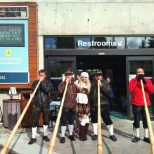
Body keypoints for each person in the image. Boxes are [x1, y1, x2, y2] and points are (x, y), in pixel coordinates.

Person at [89, 69, 117, 141]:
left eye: (100, 75)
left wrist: (101, 86)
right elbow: (89, 93)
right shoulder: (92, 83)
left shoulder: (105, 83)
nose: (98, 77)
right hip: (94, 104)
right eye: (97, 75)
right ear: (95, 76)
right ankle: (95, 134)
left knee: (107, 119)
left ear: (102, 76)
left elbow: (109, 92)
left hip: (104, 104)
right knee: (94, 119)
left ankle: (112, 134)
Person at [129, 68, 154, 143]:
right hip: (136, 103)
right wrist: (137, 81)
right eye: (138, 72)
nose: (140, 73)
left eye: (141, 72)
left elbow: (152, 90)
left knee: (145, 120)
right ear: (136, 74)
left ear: (144, 73)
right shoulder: (133, 80)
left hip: (145, 104)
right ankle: (137, 136)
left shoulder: (148, 80)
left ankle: (146, 136)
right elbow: (131, 89)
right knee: (136, 120)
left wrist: (144, 82)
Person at [28, 69, 54, 144]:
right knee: (34, 121)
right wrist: (38, 84)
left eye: (42, 75)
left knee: (46, 120)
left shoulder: (48, 83)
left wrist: (41, 83)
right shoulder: (35, 82)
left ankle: (45, 135)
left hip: (46, 104)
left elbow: (47, 90)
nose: (41, 76)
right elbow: (33, 90)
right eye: (40, 75)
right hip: (37, 104)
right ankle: (33, 137)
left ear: (45, 75)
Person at [58, 69, 77, 144]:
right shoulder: (61, 84)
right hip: (65, 106)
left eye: (70, 75)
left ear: (72, 76)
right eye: (67, 75)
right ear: (65, 76)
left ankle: (71, 135)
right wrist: (65, 84)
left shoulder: (74, 85)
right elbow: (60, 91)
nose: (68, 76)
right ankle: (62, 136)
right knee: (63, 121)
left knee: (71, 121)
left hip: (72, 106)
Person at [75, 72, 91, 141]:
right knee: (84, 118)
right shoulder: (77, 83)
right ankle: (81, 135)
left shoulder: (88, 85)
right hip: (79, 103)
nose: (84, 78)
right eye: (83, 77)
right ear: (81, 77)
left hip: (86, 103)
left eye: (85, 77)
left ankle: (85, 133)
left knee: (87, 119)